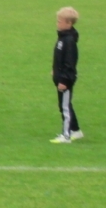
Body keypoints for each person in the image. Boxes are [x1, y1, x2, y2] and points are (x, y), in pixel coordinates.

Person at [50, 7, 82, 143]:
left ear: (68, 23)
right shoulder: (62, 38)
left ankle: (66, 135)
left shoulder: (68, 41)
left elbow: (70, 63)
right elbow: (60, 58)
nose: (57, 23)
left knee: (65, 107)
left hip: (65, 80)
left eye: (60, 21)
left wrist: (64, 79)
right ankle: (76, 130)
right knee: (64, 104)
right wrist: (55, 70)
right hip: (60, 77)